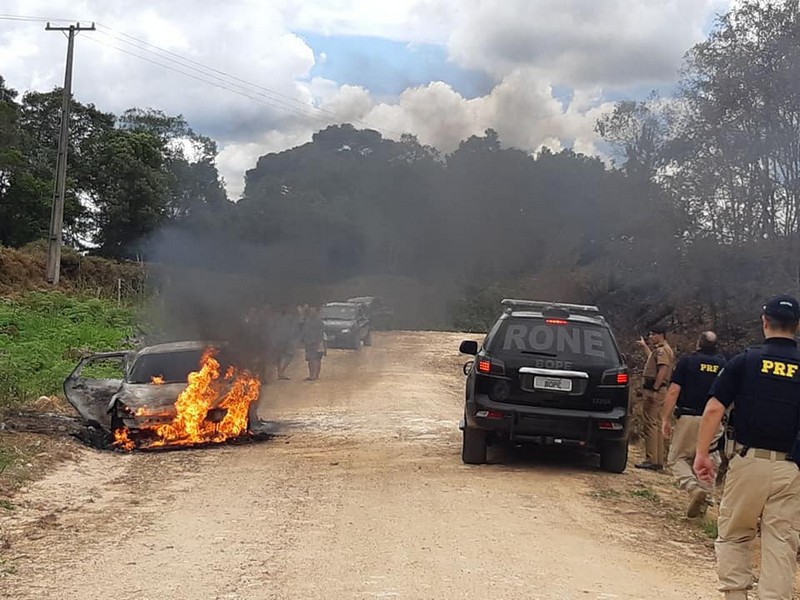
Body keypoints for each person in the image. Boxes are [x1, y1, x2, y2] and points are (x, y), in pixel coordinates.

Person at [694, 294, 800, 600]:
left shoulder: (745, 361)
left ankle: (736, 595)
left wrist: (702, 454)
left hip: (748, 461)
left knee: (735, 534)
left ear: (764, 322)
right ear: (797, 326)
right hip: (791, 468)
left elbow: (714, 410)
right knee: (781, 543)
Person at [661, 331, 726, 517]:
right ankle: (703, 505)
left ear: (698, 343)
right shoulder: (724, 364)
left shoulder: (687, 361)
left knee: (677, 458)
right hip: (714, 420)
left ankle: (692, 487)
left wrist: (665, 418)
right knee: (710, 459)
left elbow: (674, 391)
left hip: (689, 417)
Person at [635, 323, 675, 470]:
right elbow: (653, 359)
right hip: (659, 390)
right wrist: (645, 347)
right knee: (656, 424)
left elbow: (663, 370)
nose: (651, 337)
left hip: (655, 390)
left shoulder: (663, 350)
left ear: (661, 335)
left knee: (650, 424)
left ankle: (652, 459)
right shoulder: (661, 350)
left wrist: (655, 389)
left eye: (653, 334)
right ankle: (657, 460)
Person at [301, 305, 325, 381]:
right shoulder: (306, 321)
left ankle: (315, 375)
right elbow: (304, 332)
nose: (311, 312)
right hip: (309, 342)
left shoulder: (318, 321)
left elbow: (320, 333)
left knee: (316, 359)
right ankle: (311, 374)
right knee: (310, 359)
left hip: (317, 343)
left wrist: (317, 342)